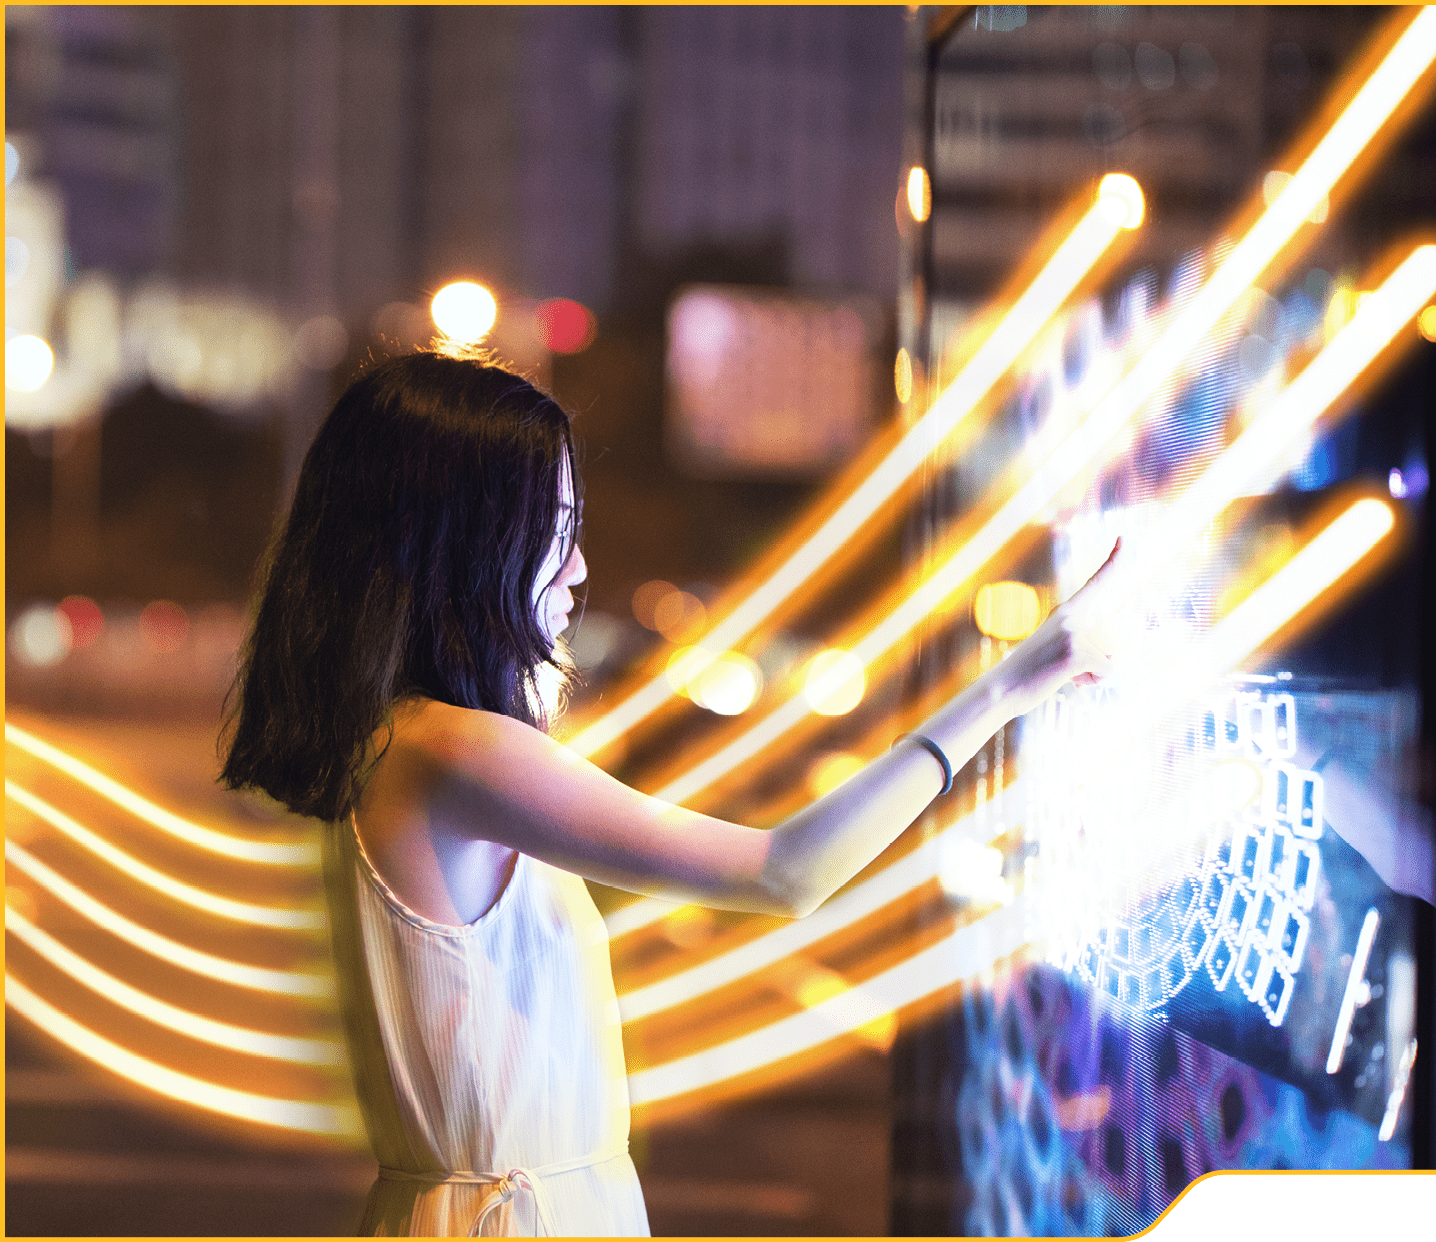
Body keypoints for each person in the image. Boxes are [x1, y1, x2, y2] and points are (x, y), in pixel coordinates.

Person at [220, 349, 1113, 1237]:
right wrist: (1006, 688)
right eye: (554, 529)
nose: (575, 570)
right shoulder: (454, 752)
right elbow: (784, 874)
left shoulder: (410, 742)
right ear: (469, 541)